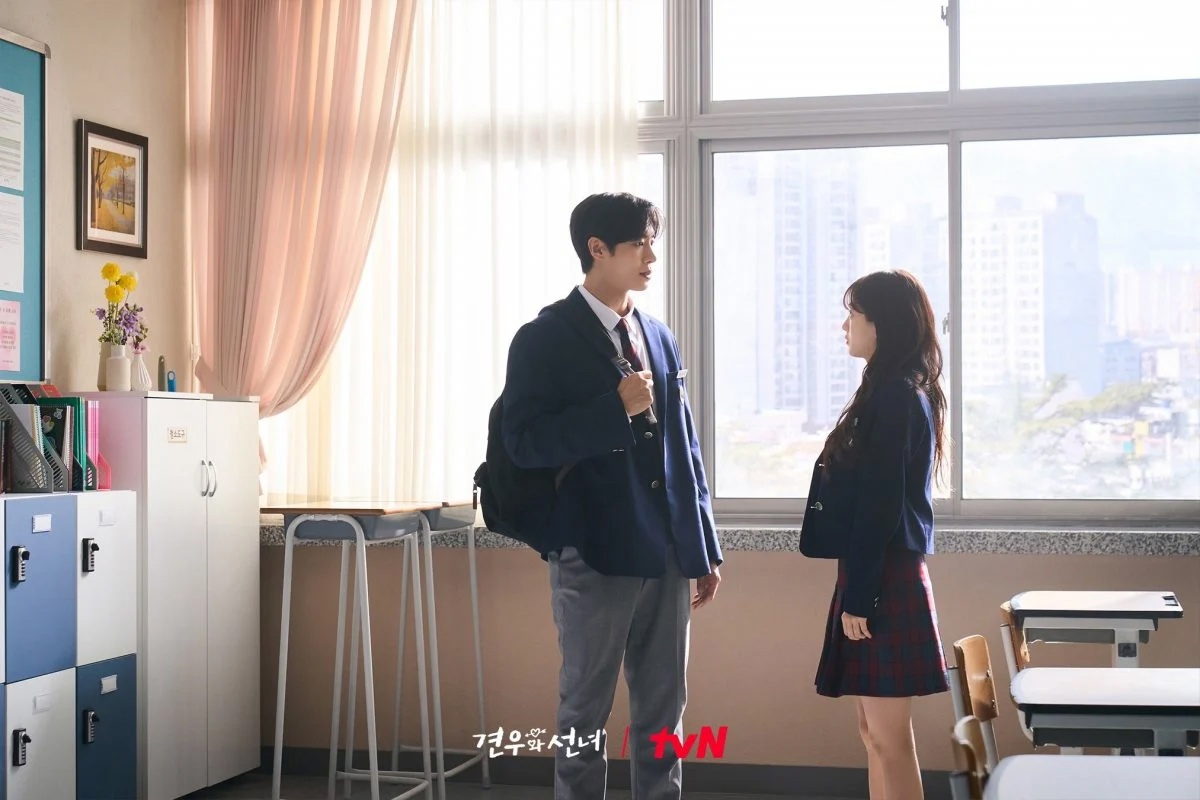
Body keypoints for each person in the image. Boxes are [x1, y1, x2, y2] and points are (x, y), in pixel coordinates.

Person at [501, 192, 723, 800]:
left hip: (667, 552)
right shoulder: (543, 338)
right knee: (584, 707)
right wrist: (612, 410)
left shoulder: (659, 335)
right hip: (593, 550)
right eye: (638, 244)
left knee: (666, 708)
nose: (652, 256)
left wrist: (703, 546)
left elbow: (685, 447)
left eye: (653, 242)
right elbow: (522, 443)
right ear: (597, 249)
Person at [801, 270, 950, 800]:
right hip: (878, 570)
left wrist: (861, 596)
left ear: (882, 323)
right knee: (874, 734)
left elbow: (880, 506)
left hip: (884, 573)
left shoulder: (896, 396)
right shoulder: (890, 390)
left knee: (889, 739)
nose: (845, 326)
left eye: (854, 315)